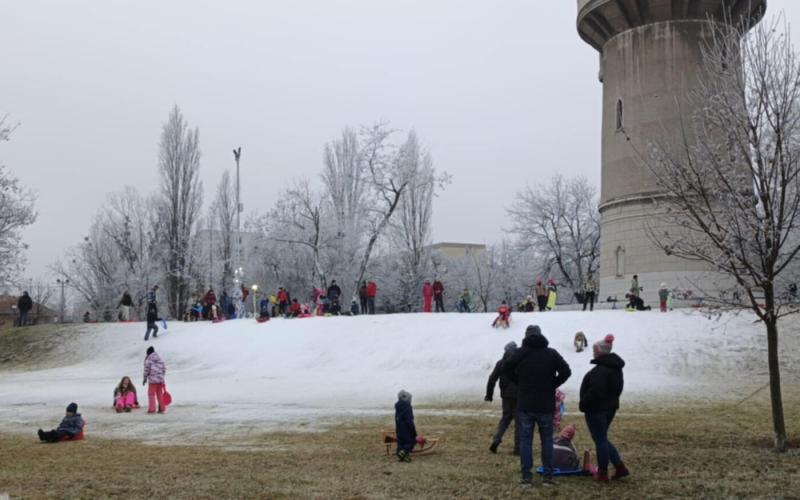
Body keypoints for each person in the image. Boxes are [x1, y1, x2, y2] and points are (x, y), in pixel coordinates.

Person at [504, 325, 572, 486]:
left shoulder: (520, 353)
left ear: (526, 336)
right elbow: (566, 371)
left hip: (525, 404)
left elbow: (506, 368)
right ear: (541, 336)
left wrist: (519, 383)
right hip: (545, 405)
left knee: (526, 441)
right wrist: (552, 384)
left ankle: (526, 477)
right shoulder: (551, 353)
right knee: (547, 441)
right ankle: (548, 477)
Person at [579, 334, 629, 483]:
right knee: (602, 439)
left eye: (595, 350)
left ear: (600, 351)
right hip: (609, 408)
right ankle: (620, 467)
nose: (593, 352)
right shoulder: (614, 368)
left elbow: (596, 392)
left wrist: (584, 403)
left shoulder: (601, 370)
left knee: (600, 440)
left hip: (597, 410)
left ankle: (602, 473)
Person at [485, 341, 519, 455]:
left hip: (506, 396)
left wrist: (489, 395)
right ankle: (518, 449)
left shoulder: (501, 363)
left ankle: (496, 441)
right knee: (519, 423)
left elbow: (492, 379)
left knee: (505, 419)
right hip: (519, 397)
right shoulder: (520, 362)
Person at [394, 390, 417, 462]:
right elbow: (409, 420)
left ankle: (402, 454)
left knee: (401, 442)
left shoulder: (398, 406)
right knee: (412, 441)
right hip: (406, 428)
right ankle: (403, 452)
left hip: (399, 427)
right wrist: (413, 431)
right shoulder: (407, 406)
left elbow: (397, 418)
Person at [143, 346, 167, 414]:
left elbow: (146, 371)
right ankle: (162, 408)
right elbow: (164, 369)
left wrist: (144, 379)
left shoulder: (148, 360)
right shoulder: (160, 359)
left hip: (152, 380)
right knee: (160, 394)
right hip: (160, 380)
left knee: (151, 394)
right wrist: (161, 377)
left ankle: (152, 409)